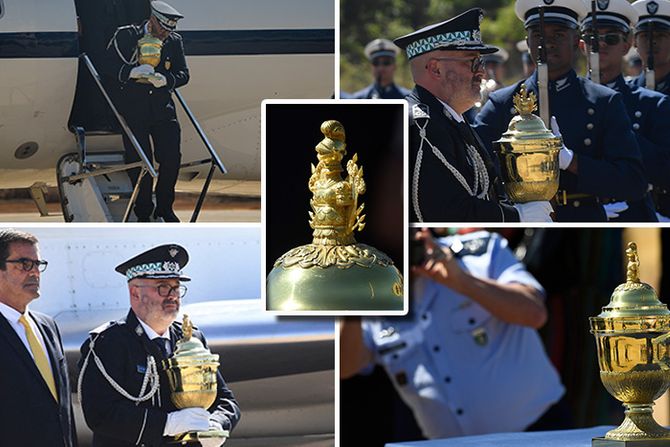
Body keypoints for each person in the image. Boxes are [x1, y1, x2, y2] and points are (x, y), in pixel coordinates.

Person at [340, 229, 565, 439]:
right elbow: (345, 366)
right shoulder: (371, 298)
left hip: (538, 433)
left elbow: (535, 314)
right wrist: (352, 303)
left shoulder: (482, 252)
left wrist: (461, 280)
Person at [473, 0, 647, 222]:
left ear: (576, 41)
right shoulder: (503, 102)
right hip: (524, 218)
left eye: (558, 35)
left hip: (583, 218)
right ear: (527, 41)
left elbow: (634, 181)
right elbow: (476, 169)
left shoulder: (603, 101)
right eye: (538, 34)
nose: (548, 43)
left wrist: (572, 161)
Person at [395, 8, 554, 222]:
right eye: (472, 62)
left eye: (481, 62)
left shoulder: (450, 119)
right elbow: (445, 211)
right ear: (435, 69)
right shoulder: (422, 126)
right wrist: (517, 217)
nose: (482, 72)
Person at [78, 244, 241, 446]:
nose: (172, 295)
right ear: (135, 293)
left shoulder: (191, 338)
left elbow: (225, 400)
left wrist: (217, 424)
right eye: (163, 287)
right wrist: (166, 424)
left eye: (176, 287)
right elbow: (100, 413)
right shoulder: (108, 343)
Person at [579, 0, 670, 222]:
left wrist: (617, 125)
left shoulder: (651, 103)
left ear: (626, 45)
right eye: (592, 39)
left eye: (610, 38)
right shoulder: (566, 100)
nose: (600, 45)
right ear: (581, 45)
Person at [102, 1, 190, 222]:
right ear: (152, 20)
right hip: (135, 109)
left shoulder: (173, 41)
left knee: (171, 159)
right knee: (141, 162)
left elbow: (183, 74)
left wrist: (166, 79)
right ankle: (143, 211)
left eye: (170, 29)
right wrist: (130, 73)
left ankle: (165, 208)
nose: (166, 33)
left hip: (163, 110)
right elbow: (107, 66)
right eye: (163, 28)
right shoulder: (126, 36)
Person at [0, 229, 77, 447]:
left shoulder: (47, 326)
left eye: (37, 264)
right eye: (24, 264)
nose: (34, 272)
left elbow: (62, 409)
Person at [630, 0, 670, 94]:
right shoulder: (623, 94)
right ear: (634, 42)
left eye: (660, 35)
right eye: (645, 35)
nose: (652, 41)